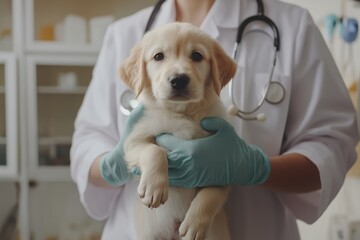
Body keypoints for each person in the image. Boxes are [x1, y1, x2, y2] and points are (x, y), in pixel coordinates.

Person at [70, 0, 359, 239]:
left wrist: (253, 168)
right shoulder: (124, 34)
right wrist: (116, 164)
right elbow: (86, 144)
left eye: (196, 56)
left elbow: (333, 143)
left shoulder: (293, 26)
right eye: (159, 56)